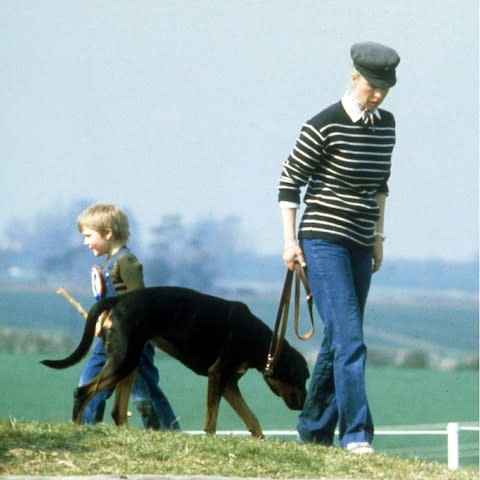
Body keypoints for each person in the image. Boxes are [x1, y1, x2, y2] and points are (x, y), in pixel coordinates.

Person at [278, 41, 400, 454]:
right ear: (353, 77)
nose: (379, 94)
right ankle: (356, 435)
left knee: (338, 338)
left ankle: (313, 429)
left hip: (361, 243)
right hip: (322, 239)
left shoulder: (387, 126)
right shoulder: (323, 124)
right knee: (351, 340)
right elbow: (289, 183)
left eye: (386, 87)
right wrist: (290, 241)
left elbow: (381, 186)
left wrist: (379, 239)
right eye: (372, 86)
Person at [76, 202, 180, 430]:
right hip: (108, 337)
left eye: (88, 235)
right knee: (90, 381)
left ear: (108, 233)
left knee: (144, 391)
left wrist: (113, 320)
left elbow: (139, 304)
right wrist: (102, 319)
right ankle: (87, 429)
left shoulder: (126, 261)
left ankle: (164, 431)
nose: (85, 242)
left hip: (133, 339)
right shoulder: (107, 263)